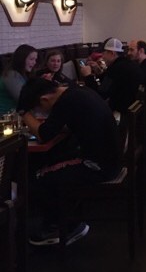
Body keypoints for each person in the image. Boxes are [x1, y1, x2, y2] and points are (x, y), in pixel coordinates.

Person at [17, 78, 121, 246]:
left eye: (38, 110)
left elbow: (44, 134)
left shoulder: (66, 101)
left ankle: (67, 227)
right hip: (108, 158)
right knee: (47, 163)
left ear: (44, 99)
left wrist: (24, 113)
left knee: (39, 176)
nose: (41, 114)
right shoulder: (76, 92)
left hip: (99, 166)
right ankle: (61, 220)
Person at [80, 38, 142, 113]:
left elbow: (100, 95)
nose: (102, 57)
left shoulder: (116, 68)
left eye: (104, 53)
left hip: (118, 111)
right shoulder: (129, 64)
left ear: (112, 53)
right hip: (130, 107)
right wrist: (99, 73)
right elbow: (110, 82)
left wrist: (88, 76)